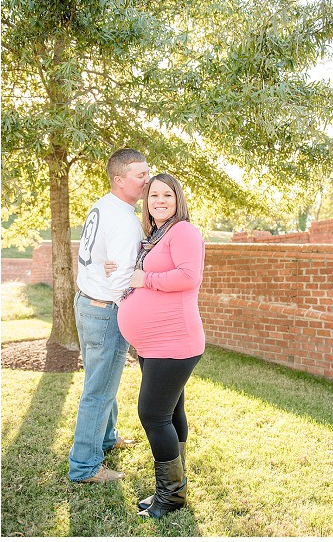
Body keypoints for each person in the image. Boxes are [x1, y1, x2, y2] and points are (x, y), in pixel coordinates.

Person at [115, 173, 205, 518]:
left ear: (177, 199)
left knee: (153, 415)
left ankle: (170, 497)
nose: (160, 201)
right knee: (170, 413)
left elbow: (188, 276)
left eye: (167, 195)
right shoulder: (158, 234)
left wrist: (145, 279)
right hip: (155, 344)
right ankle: (175, 488)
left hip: (175, 341)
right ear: (147, 201)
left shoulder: (184, 231)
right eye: (154, 195)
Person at [67, 149, 150, 484]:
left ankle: (106, 436)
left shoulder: (102, 206)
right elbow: (120, 281)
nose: (147, 180)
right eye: (140, 175)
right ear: (120, 180)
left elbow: (97, 257)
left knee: (104, 383)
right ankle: (85, 466)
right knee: (99, 390)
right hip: (105, 310)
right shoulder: (125, 221)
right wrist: (132, 305)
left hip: (86, 302)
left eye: (147, 173)